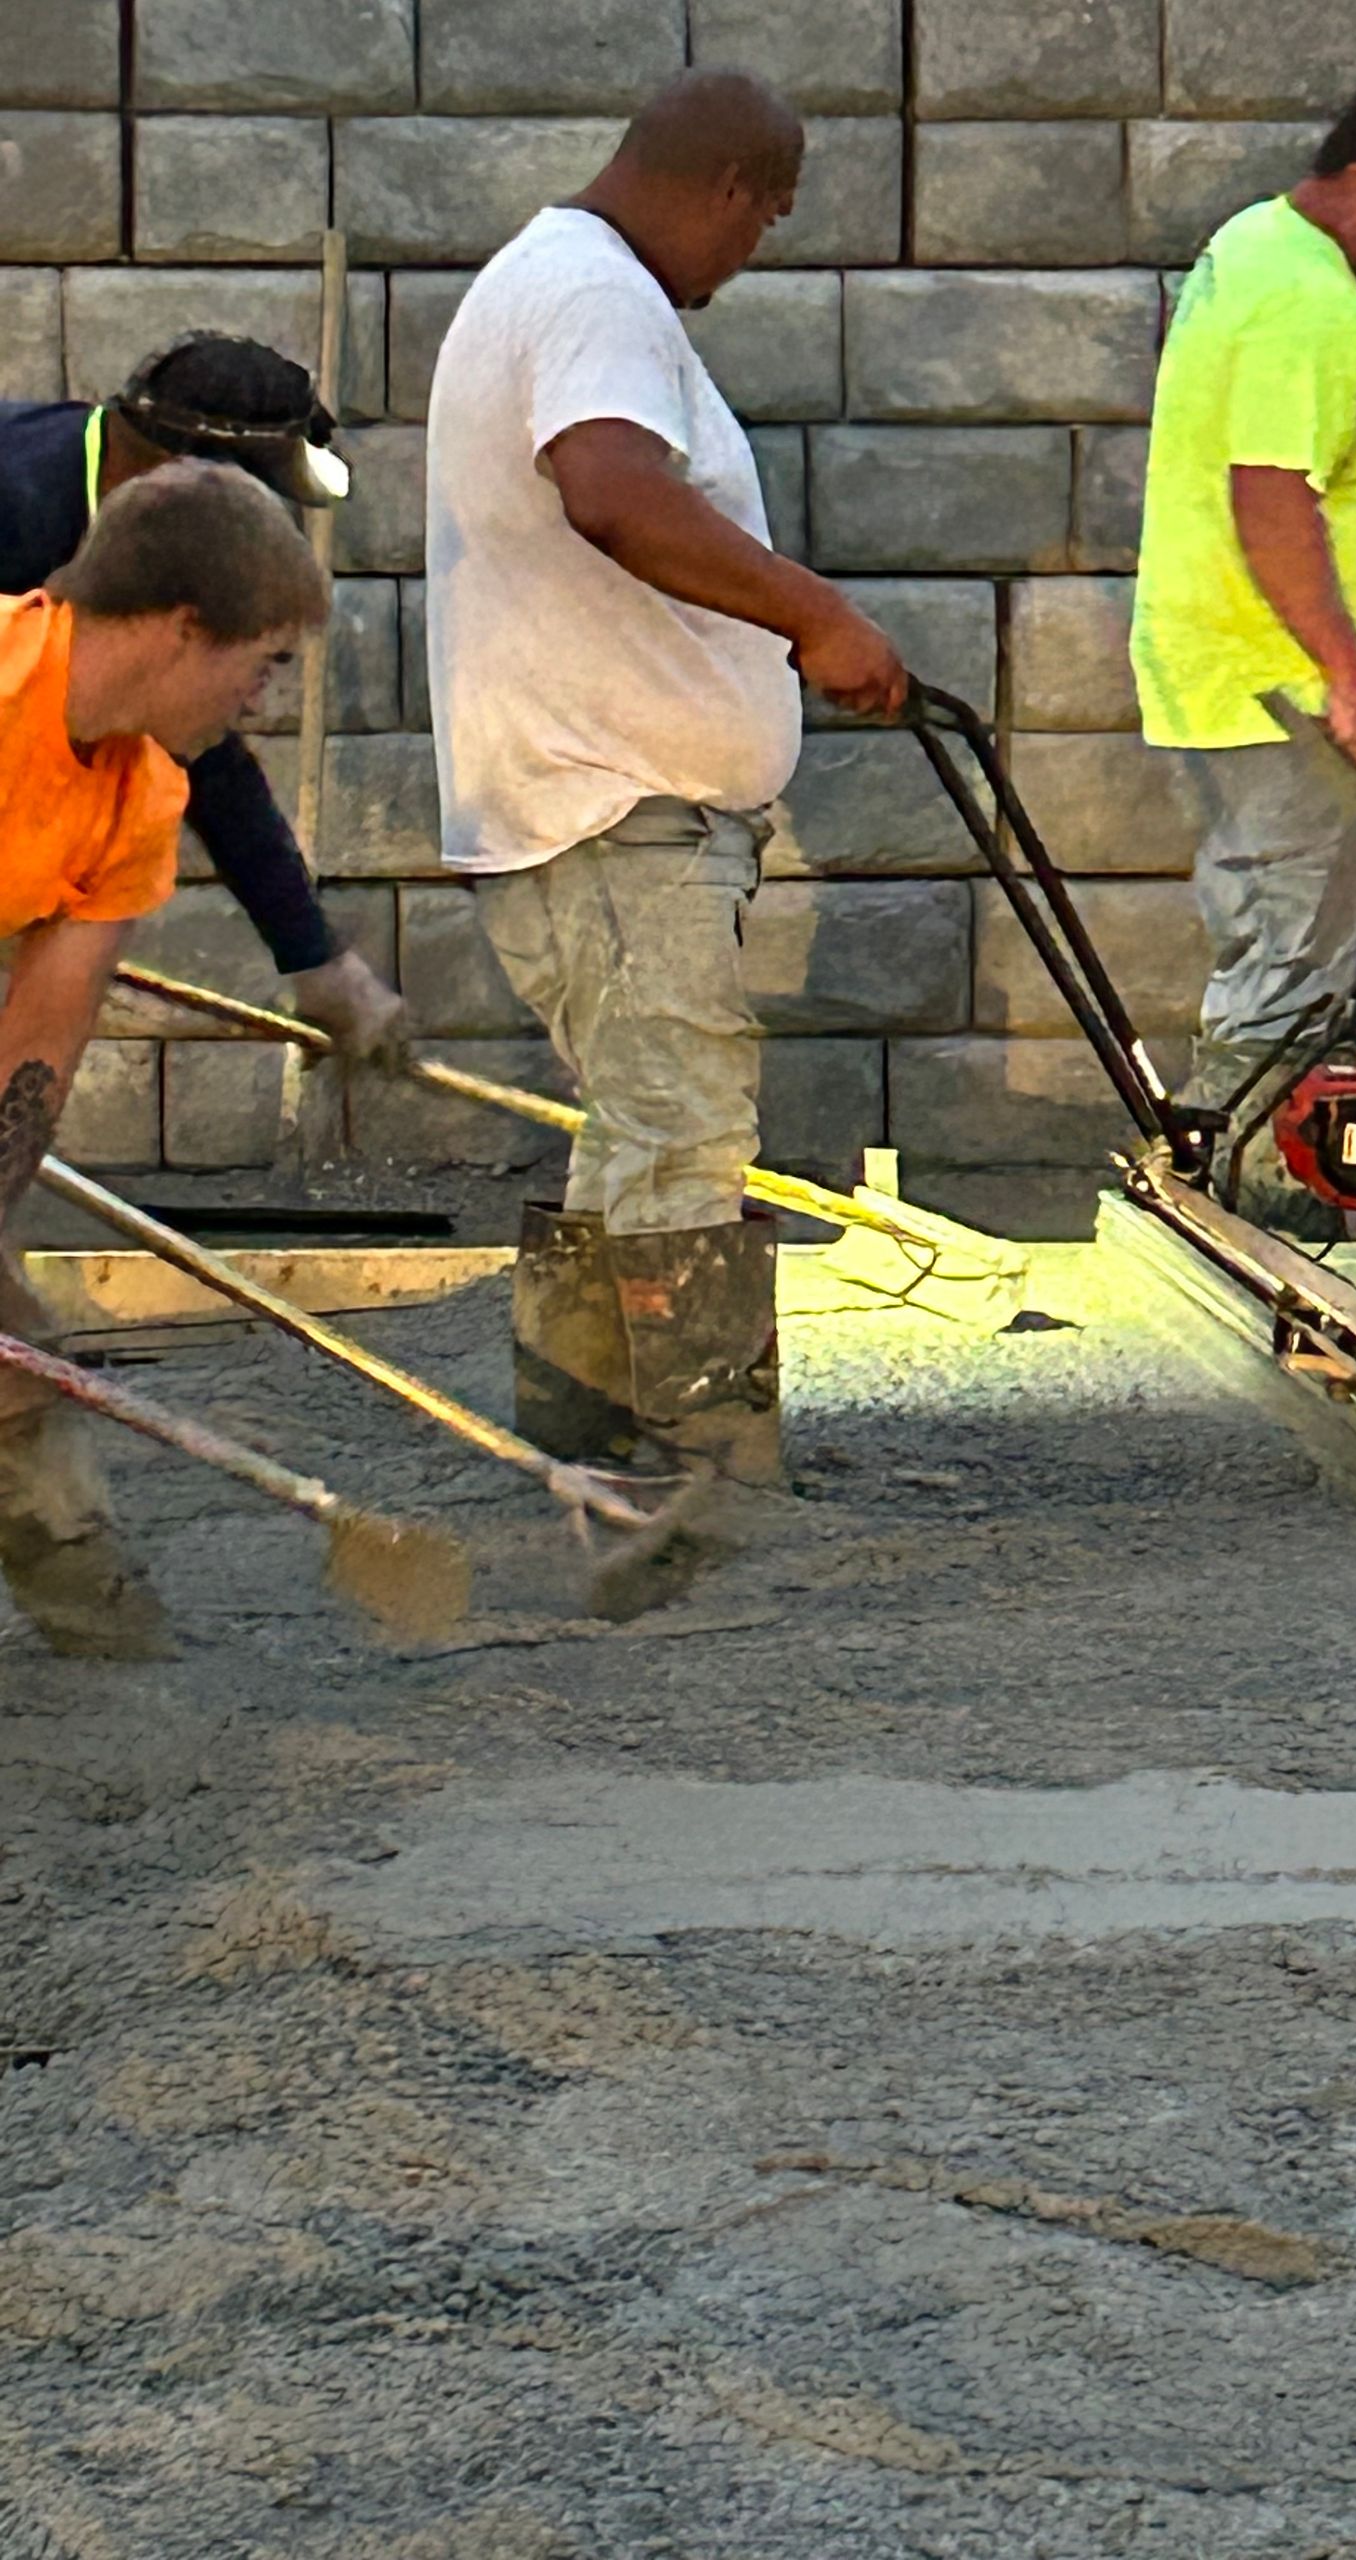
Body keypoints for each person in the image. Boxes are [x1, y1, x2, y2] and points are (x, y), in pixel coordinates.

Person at [427, 68, 906, 1487]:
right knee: (683, 1130)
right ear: (727, 189)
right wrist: (812, 613)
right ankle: (681, 1471)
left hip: (597, 801)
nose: (756, 252)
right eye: (767, 220)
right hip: (614, 804)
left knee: (642, 1125)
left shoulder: (558, 279)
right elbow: (613, 488)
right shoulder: (593, 295)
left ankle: (592, 1450)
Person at [0, 459, 329, 1655]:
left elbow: (39, 1036)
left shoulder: (139, 790)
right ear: (187, 627)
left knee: (5, 1347)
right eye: (265, 662)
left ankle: (103, 1637)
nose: (262, 697)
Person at [1130, 79, 1356, 1179]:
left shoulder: (1260, 245)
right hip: (1281, 685)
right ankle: (1233, 1206)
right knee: (1287, 970)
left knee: (1290, 944)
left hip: (1248, 675)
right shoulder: (1304, 299)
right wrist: (1353, 680)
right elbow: (1270, 492)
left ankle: (1237, 1185)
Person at [0, 333, 406, 1062]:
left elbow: (200, 751)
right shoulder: (19, 513)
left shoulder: (140, 582)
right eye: (255, 505)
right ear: (190, 480)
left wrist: (311, 954)